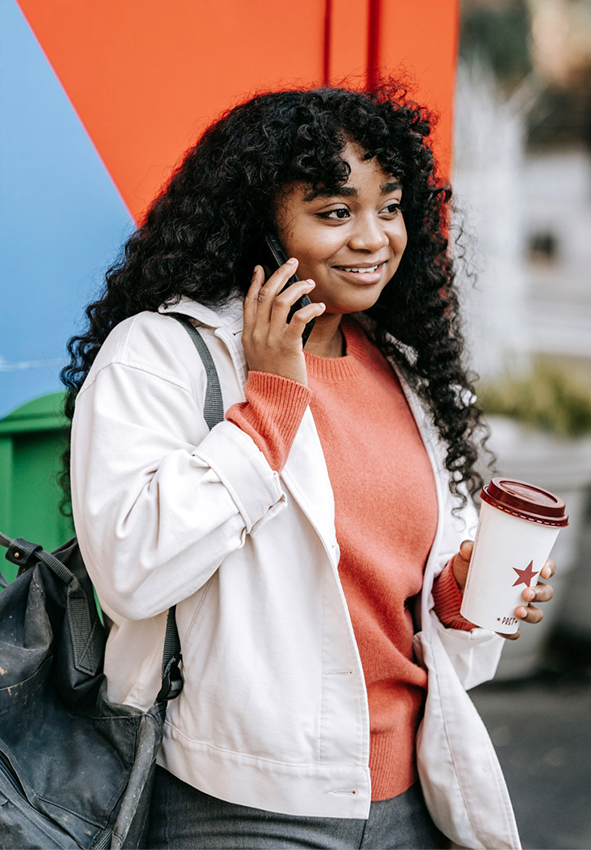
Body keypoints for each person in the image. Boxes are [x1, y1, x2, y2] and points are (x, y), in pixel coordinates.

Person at [62, 85, 555, 849]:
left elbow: (398, 606)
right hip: (239, 807)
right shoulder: (161, 355)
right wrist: (269, 405)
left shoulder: (403, 371)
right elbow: (131, 568)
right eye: (334, 212)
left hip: (411, 799)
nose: (373, 238)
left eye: (388, 207)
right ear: (260, 227)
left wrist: (460, 595)